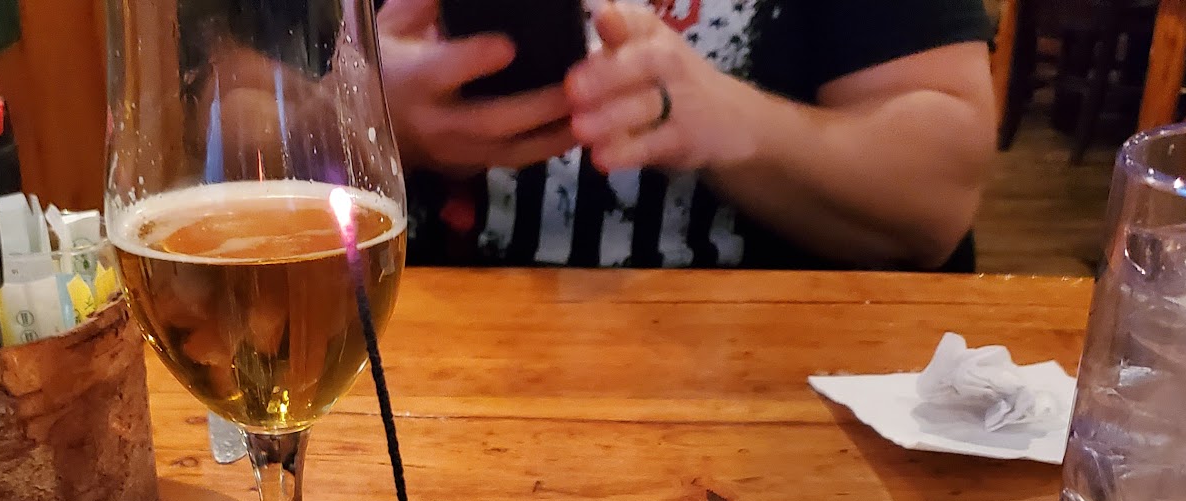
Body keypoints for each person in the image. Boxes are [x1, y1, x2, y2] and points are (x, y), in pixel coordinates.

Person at [379, 0, 996, 270]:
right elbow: (305, 98)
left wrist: (738, 125)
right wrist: (363, 118)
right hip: (409, 395)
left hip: (773, 399)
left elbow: (934, 201)